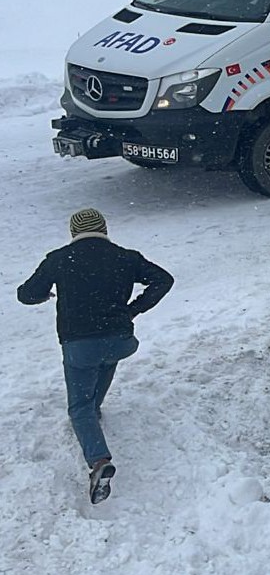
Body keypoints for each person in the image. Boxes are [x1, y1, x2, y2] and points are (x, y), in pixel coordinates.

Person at [17, 209, 174, 504]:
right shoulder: (125, 256)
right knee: (105, 357)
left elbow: (25, 294)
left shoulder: (60, 258)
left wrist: (43, 294)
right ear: (104, 229)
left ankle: (99, 462)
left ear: (74, 233)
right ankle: (95, 410)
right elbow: (164, 280)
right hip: (120, 340)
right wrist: (133, 309)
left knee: (79, 407)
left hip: (80, 345)